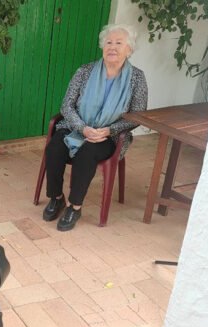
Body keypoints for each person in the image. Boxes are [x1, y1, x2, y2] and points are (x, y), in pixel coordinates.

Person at [42, 23, 148, 231]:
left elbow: (138, 115)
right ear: (102, 46)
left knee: (87, 152)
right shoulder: (85, 71)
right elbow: (67, 105)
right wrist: (82, 128)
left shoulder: (137, 78)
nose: (112, 47)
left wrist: (110, 130)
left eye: (119, 43)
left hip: (110, 136)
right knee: (54, 148)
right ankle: (56, 198)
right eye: (108, 42)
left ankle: (75, 206)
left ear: (129, 49)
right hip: (77, 127)